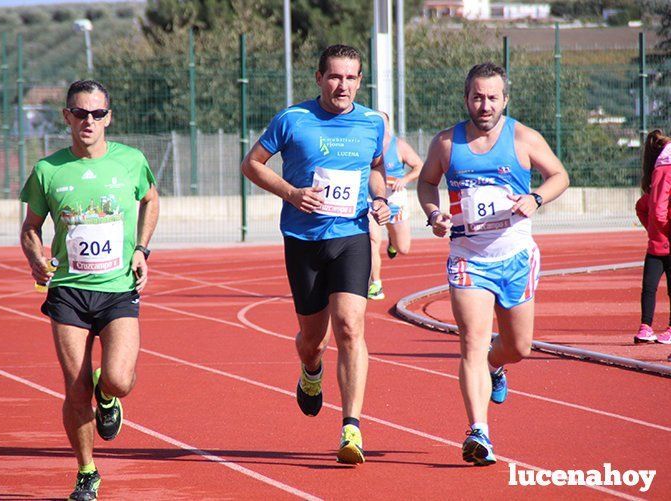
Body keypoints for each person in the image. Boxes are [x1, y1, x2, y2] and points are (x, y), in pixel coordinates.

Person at [240, 44, 390, 465]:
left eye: (351, 77)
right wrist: (291, 192)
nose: (342, 85)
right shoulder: (294, 119)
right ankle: (310, 371)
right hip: (303, 240)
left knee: (350, 326)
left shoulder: (372, 123)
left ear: (361, 80)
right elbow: (252, 164)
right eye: (335, 77)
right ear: (320, 78)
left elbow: (378, 169)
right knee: (313, 340)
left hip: (352, 235)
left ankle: (352, 426)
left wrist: (380, 199)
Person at [417, 62, 569, 466]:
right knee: (470, 342)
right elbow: (427, 181)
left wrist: (535, 198)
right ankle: (478, 431)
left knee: (518, 347)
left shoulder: (523, 138)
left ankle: (495, 365)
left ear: (505, 99)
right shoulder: (447, 144)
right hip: (469, 258)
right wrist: (435, 214)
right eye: (477, 97)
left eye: (492, 97)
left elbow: (559, 176)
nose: (485, 105)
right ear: (466, 98)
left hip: (516, 256)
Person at [19, 80, 159, 500]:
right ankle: (87, 472)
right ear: (67, 117)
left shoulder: (131, 162)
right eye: (81, 113)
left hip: (118, 288)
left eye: (97, 114)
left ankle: (108, 395)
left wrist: (141, 249)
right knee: (74, 388)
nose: (89, 121)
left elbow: (151, 200)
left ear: (108, 117)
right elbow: (30, 228)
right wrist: (35, 258)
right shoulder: (48, 170)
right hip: (68, 292)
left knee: (118, 379)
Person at [367, 111, 423, 300]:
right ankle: (375, 284)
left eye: (381, 124)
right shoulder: (365, 144)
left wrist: (404, 179)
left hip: (395, 201)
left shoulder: (399, 146)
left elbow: (419, 166)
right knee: (372, 241)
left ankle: (393, 239)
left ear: (387, 127)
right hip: (372, 201)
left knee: (403, 248)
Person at [634, 130, 671, 345]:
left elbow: (643, 207)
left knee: (649, 287)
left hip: (655, 245)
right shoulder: (665, 172)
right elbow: (656, 210)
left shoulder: (655, 176)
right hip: (665, 241)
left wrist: (653, 229)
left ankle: (645, 327)